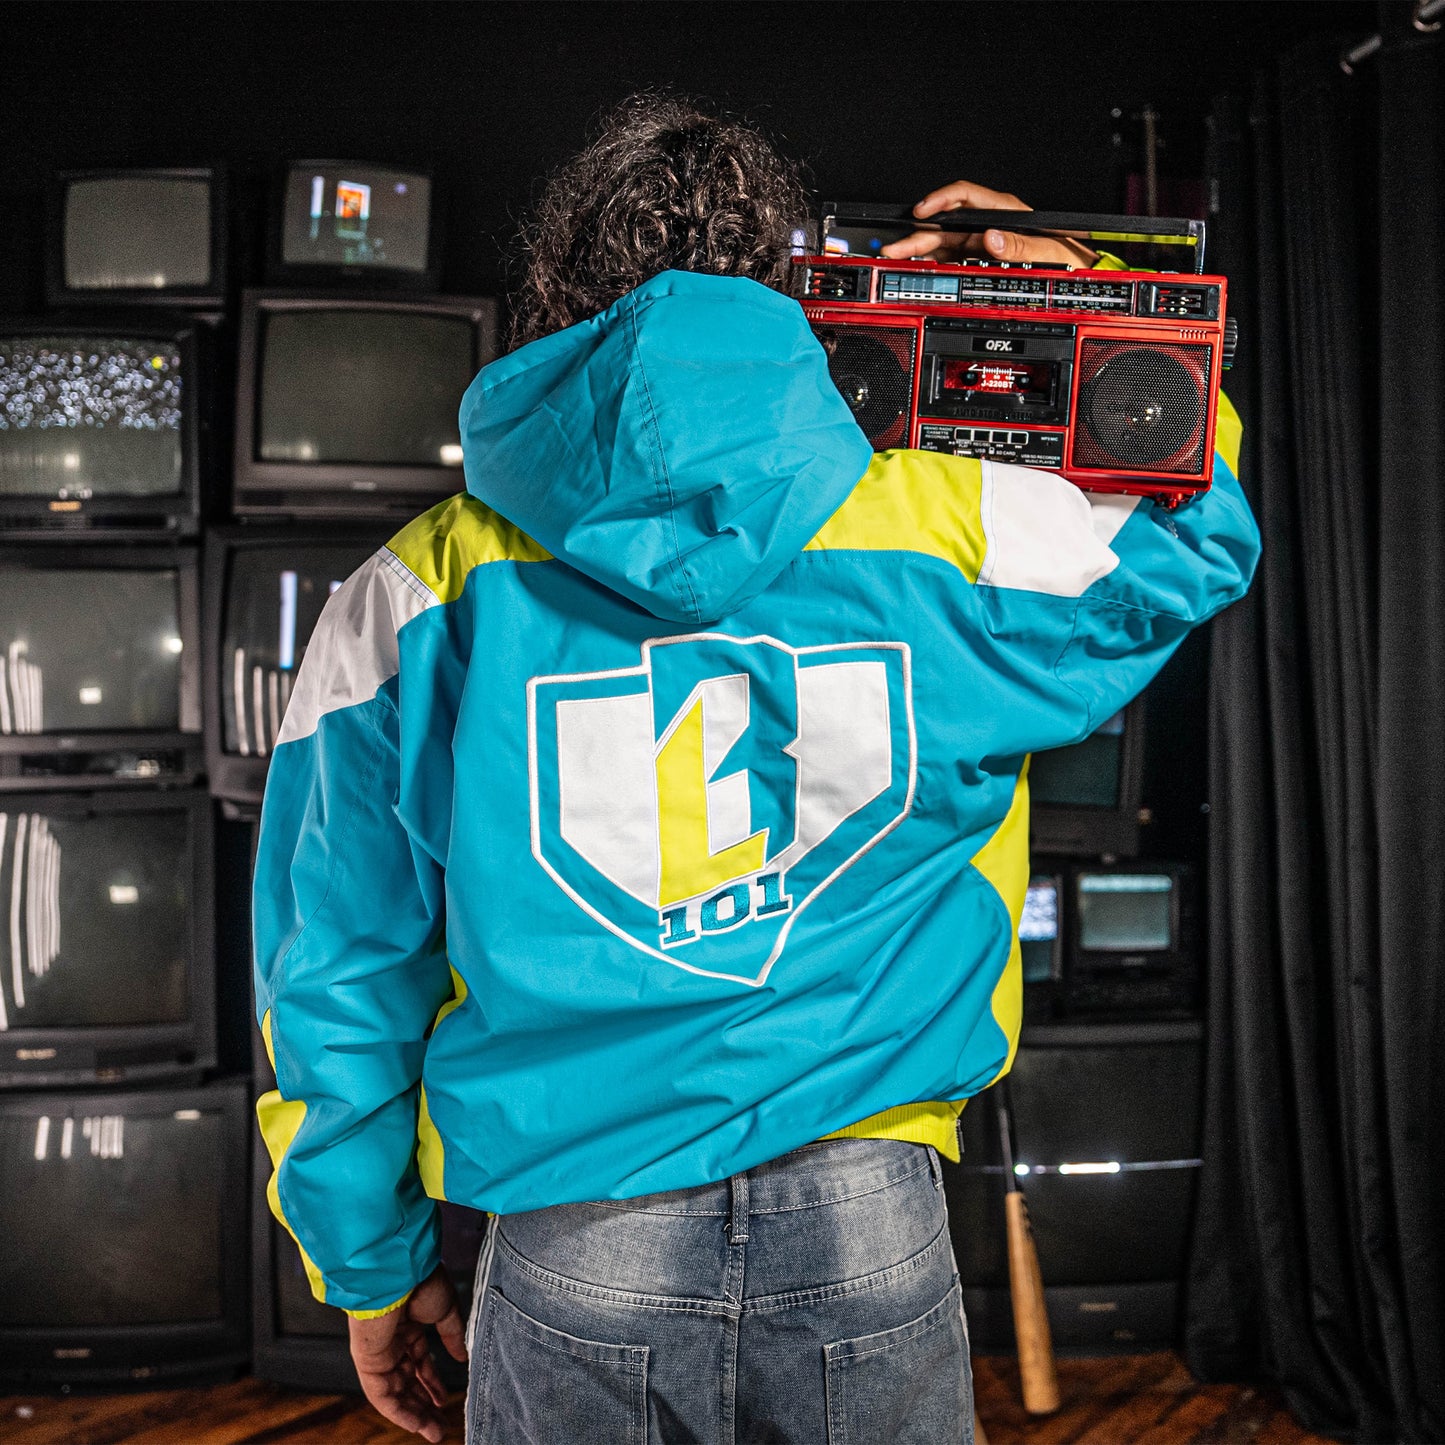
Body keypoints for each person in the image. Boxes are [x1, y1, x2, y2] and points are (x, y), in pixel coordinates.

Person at [252, 96, 1259, 1445]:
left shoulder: (410, 596)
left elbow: (333, 972)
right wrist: (1065, 278)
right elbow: (1192, 528)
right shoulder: (947, 528)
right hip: (866, 1219)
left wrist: (368, 1266)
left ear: (555, 289)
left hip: (569, 1235)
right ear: (799, 291)